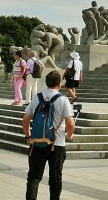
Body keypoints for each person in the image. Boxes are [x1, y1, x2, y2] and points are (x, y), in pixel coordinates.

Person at [22, 70, 75, 200]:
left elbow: (25, 119)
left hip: (37, 142)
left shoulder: (37, 97)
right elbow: (70, 124)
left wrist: (28, 136)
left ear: (46, 83)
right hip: (56, 144)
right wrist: (69, 135)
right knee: (55, 177)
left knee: (34, 177)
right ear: (59, 84)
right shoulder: (63, 100)